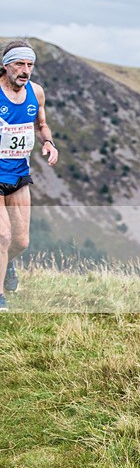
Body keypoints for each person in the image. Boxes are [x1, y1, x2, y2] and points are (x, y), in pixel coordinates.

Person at [0, 39, 59, 311]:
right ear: (5, 65)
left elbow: (41, 125)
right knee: (2, 236)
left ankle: (8, 264)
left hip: (19, 175)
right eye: (19, 64)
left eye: (30, 65)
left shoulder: (37, 92)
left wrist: (48, 142)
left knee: (20, 242)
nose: (25, 70)